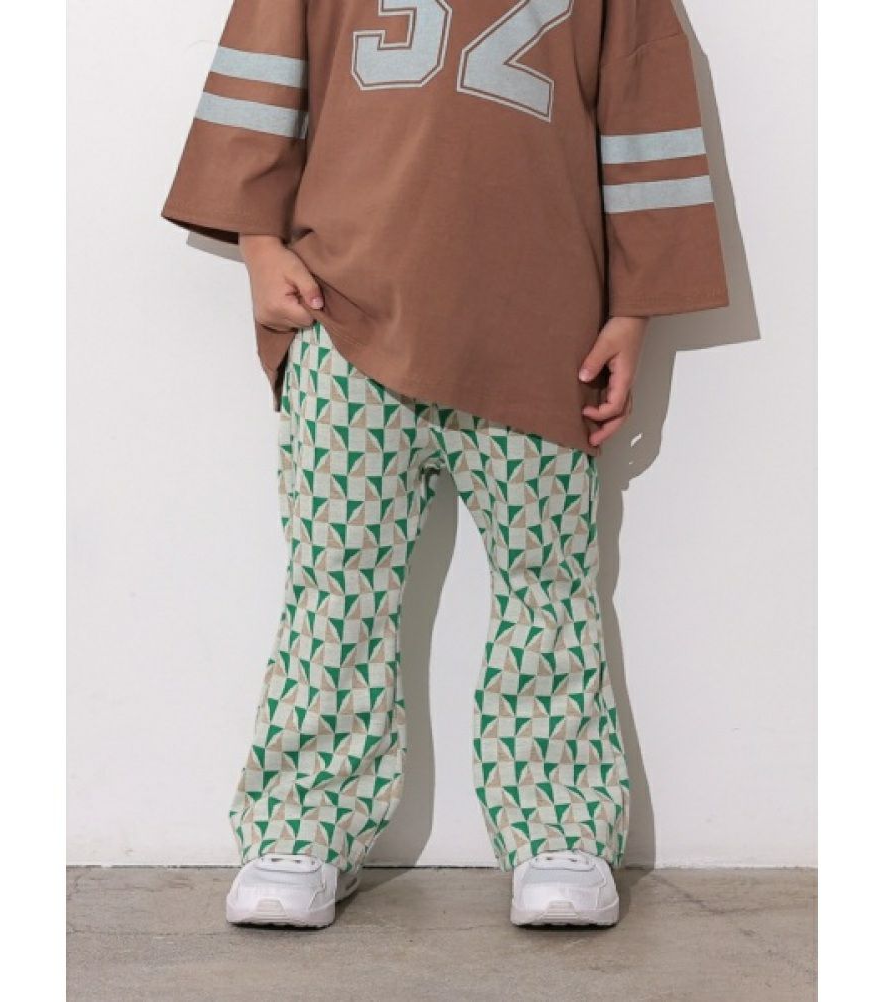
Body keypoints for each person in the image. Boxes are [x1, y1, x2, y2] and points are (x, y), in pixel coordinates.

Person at [162, 0, 727, 929]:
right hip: (344, 320)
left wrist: (633, 312)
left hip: (542, 337)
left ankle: (561, 829)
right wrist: (259, 247)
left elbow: (644, 101)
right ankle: (300, 828)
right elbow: (263, 70)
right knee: (334, 590)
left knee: (551, 591)